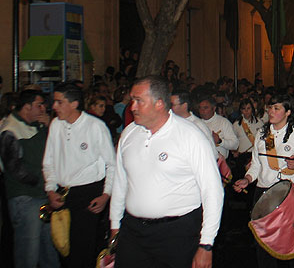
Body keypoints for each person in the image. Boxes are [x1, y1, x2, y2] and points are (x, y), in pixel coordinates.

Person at [109, 75, 223, 268]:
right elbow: (120, 183)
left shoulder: (190, 136)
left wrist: (206, 244)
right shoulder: (129, 134)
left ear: (159, 103)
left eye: (138, 101)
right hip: (133, 232)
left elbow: (213, 191)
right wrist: (114, 226)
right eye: (132, 100)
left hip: (176, 234)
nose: (132, 107)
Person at [233, 94, 294, 268]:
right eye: (270, 107)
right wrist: (247, 179)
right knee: (264, 244)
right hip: (265, 192)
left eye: (276, 108)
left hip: (293, 193)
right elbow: (256, 165)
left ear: (288, 112)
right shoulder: (261, 133)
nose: (271, 111)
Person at [42, 82, 116, 268]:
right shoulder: (56, 125)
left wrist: (105, 195)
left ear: (74, 104)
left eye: (59, 102)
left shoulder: (95, 126)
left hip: (88, 194)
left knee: (83, 250)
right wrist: (50, 189)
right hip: (62, 194)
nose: (54, 107)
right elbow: (48, 162)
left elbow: (111, 164)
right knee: (62, 247)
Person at [0, 89, 59, 268]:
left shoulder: (39, 126)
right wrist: (44, 183)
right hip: (26, 198)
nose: (44, 109)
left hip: (43, 196)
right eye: (39, 105)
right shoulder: (10, 130)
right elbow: (15, 169)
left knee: (49, 249)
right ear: (26, 107)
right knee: (28, 251)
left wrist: (50, 127)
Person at [197, 94, 239, 160]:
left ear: (214, 108)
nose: (202, 111)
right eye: (200, 108)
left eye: (205, 108)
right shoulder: (196, 124)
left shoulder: (223, 122)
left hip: (220, 163)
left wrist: (220, 141)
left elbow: (235, 145)